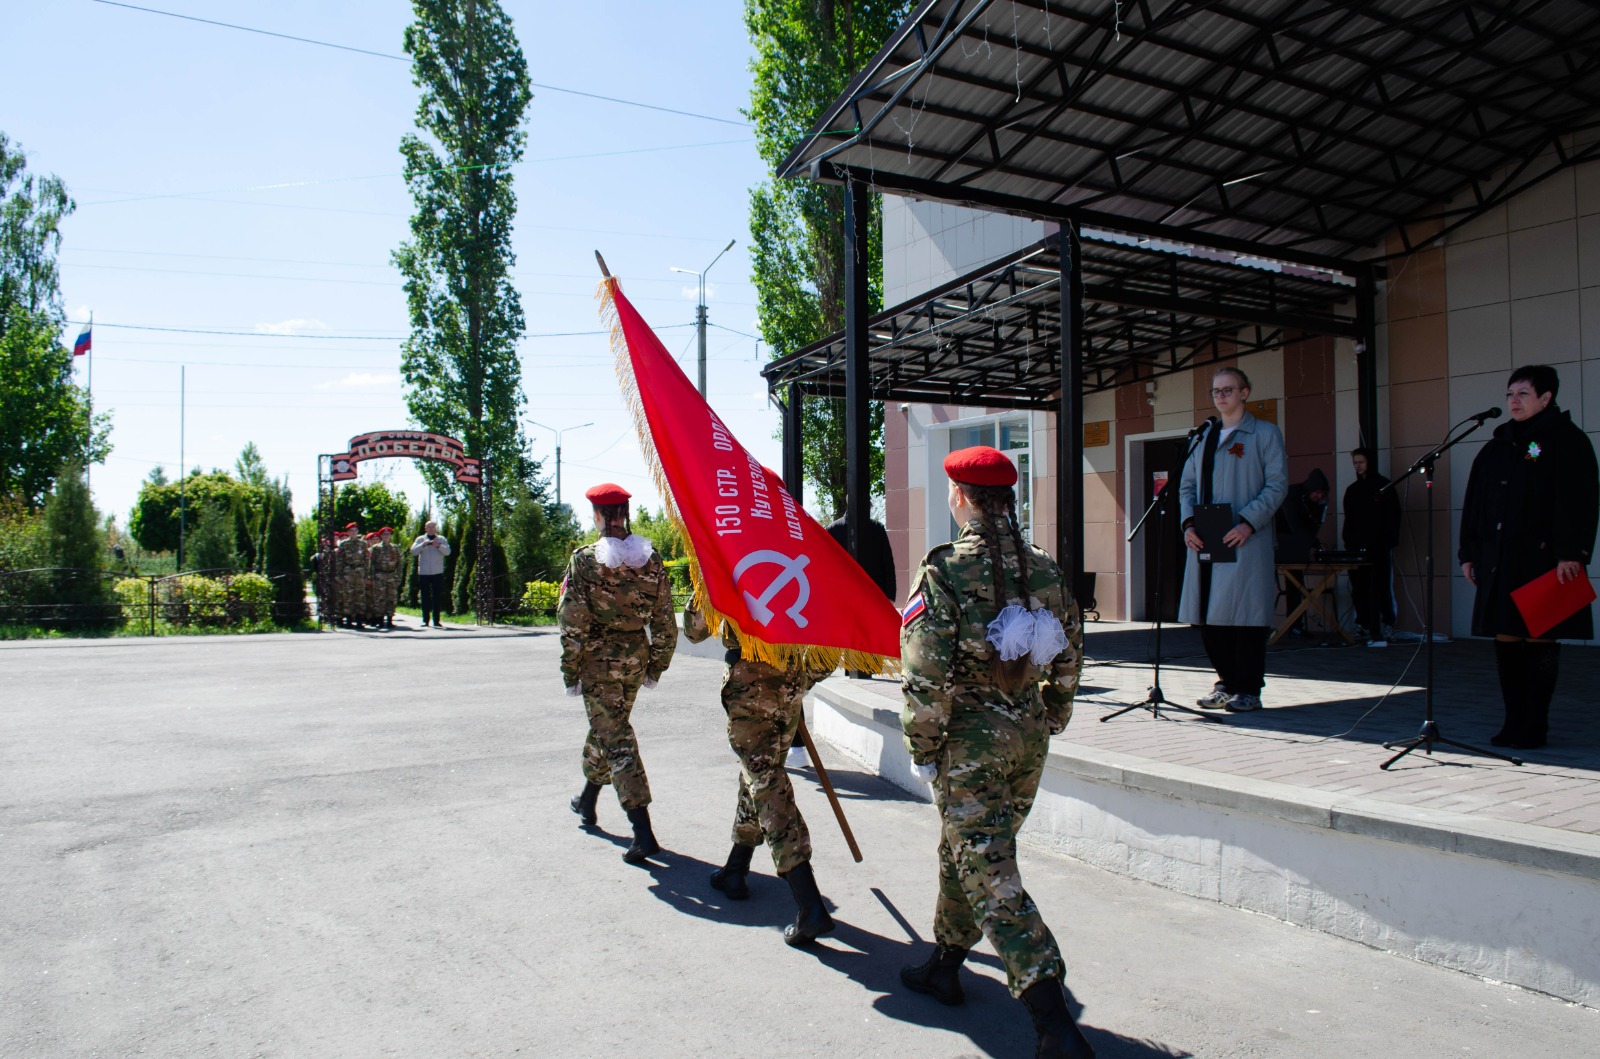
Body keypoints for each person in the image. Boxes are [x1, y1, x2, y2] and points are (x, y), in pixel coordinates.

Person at [899, 445, 1094, 1058]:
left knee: (992, 875)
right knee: (971, 852)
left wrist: (923, 745)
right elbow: (1070, 653)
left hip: (969, 743)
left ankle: (1054, 1023)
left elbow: (926, 674)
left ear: (961, 497)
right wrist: (1053, 714)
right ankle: (945, 964)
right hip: (1026, 738)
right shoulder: (1045, 566)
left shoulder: (945, 569)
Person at [683, 591, 835, 946]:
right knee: (758, 778)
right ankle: (736, 869)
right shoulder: (801, 553)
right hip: (790, 684)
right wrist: (799, 679)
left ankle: (809, 902)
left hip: (750, 687)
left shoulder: (729, 555)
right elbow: (829, 635)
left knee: (767, 785)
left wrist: (705, 580)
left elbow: (693, 631)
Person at [1459, 365, 1598, 750]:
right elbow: (1475, 504)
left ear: (1546, 398)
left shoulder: (1567, 441)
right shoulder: (1498, 444)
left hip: (1543, 560)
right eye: (1509, 394)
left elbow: (1579, 501)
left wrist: (1573, 552)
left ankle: (1535, 723)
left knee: (1540, 637)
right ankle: (1513, 720)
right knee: (1506, 636)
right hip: (1499, 560)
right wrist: (1468, 551)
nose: (1513, 401)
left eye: (1522, 393)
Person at [559, 483, 678, 863]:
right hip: (635, 658)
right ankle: (587, 800)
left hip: (598, 661)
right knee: (608, 729)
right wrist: (657, 664)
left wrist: (570, 670)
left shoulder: (586, 560)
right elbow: (664, 620)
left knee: (617, 738)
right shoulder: (650, 558)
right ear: (625, 513)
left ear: (597, 515)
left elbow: (572, 622)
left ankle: (642, 832)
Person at [1180, 366, 1289, 712]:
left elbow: (1277, 485)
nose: (1221, 396)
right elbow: (1186, 486)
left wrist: (1248, 522)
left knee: (1245, 617)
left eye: (1228, 390)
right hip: (1207, 536)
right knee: (1209, 617)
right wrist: (1187, 525)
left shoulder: (1264, 434)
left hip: (1244, 537)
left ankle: (1249, 689)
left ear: (1245, 393)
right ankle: (1225, 682)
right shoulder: (1203, 438)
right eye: (1216, 391)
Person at [1343, 448, 1400, 645]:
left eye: (1361, 462)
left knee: (1383, 586)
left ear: (1370, 463)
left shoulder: (1384, 487)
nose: (1358, 466)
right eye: (1355, 462)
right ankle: (1363, 624)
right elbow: (1349, 520)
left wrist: (1388, 541)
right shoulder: (1352, 490)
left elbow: (1393, 517)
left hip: (1380, 546)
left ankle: (1388, 624)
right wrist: (1349, 544)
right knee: (1360, 588)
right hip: (1357, 548)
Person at [410, 521, 450, 628]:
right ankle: (425, 620)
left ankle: (436, 620)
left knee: (436, 596)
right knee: (425, 597)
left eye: (433, 527)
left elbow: (447, 552)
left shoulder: (441, 539)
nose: (431, 529)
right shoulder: (420, 539)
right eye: (429, 527)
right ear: (425, 528)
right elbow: (413, 551)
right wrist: (423, 545)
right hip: (424, 572)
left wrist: (438, 546)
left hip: (437, 572)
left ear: (435, 528)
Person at [335, 522, 370, 630]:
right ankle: (348, 620)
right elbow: (339, 561)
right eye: (351, 531)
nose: (353, 532)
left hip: (360, 572)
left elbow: (366, 560)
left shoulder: (363, 544)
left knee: (360, 596)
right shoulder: (343, 544)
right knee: (348, 596)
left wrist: (366, 575)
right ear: (348, 532)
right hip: (348, 572)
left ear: (358, 532)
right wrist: (339, 576)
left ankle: (359, 620)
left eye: (355, 530)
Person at [369, 527, 402, 630]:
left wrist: (398, 577)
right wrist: (371, 576)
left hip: (391, 575)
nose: (386, 536)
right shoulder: (376, 548)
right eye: (384, 535)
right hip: (380, 575)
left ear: (390, 536)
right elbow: (371, 564)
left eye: (388, 534)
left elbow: (399, 564)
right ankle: (380, 620)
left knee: (391, 598)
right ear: (381, 536)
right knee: (379, 598)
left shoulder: (395, 548)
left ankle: (390, 619)